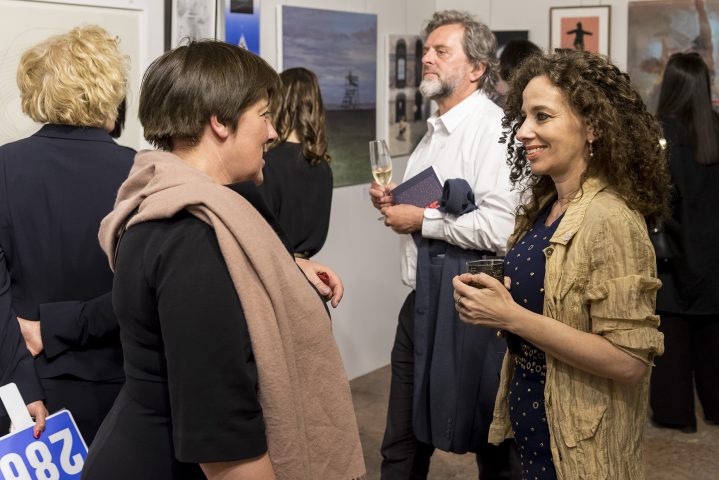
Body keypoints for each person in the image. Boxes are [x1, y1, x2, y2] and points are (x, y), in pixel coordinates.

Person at [82, 40, 364, 480]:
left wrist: (284, 269)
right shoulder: (192, 237)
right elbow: (224, 441)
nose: (273, 132)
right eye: (264, 115)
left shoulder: (178, 210)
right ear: (220, 121)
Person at [452, 49, 669, 479]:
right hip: (533, 429)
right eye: (523, 117)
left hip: (582, 450)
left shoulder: (611, 219)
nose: (523, 131)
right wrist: (496, 302)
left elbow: (629, 361)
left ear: (592, 126)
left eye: (542, 116)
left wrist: (510, 316)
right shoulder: (546, 206)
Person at [369, 10, 520, 479]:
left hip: (470, 306)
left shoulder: (494, 130)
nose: (426, 59)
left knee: (489, 439)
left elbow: (502, 228)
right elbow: (432, 202)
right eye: (425, 51)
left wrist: (422, 219)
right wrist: (396, 202)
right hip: (420, 303)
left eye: (440, 51)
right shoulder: (434, 131)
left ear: (477, 68)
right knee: (401, 440)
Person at [0, 25, 134, 442]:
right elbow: (145, 290)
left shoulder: (4, 167)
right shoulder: (142, 173)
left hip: (31, 390)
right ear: (109, 88)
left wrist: (22, 385)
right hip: (126, 389)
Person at [650, 52, 719, 432]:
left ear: (671, 85)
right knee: (713, 341)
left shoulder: (660, 134)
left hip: (670, 256)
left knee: (671, 343)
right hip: (713, 259)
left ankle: (676, 415)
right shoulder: (717, 129)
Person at [258, 67, 333, 259]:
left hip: (276, 268)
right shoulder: (323, 166)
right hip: (307, 268)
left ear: (278, 103)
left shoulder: (267, 164)